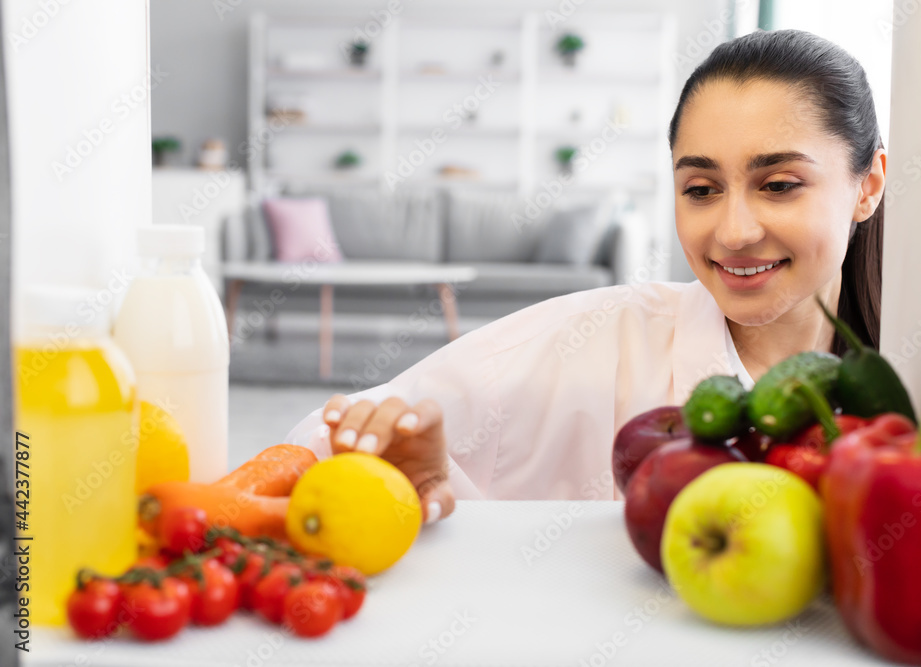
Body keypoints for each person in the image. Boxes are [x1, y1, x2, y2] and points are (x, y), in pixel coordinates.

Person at [284, 29, 887, 527]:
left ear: (868, 185)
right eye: (701, 190)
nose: (733, 232)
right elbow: (318, 444)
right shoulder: (598, 336)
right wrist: (415, 482)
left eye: (779, 185)